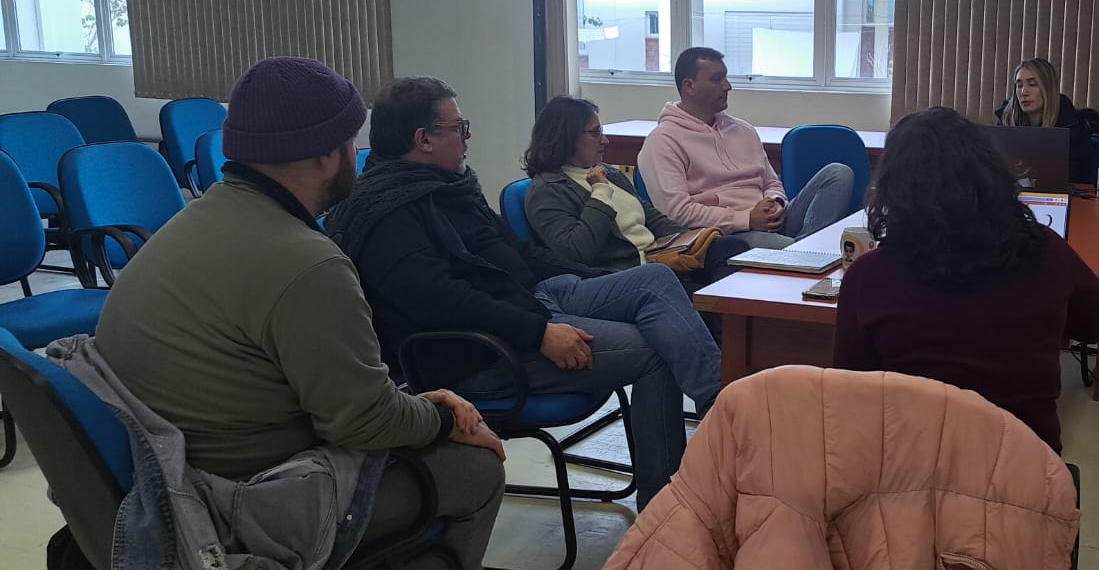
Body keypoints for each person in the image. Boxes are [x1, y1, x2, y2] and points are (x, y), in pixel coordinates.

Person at [94, 57, 506, 570]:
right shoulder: (307, 262)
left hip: (165, 488)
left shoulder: (187, 223)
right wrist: (445, 419)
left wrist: (407, 407)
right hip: (244, 508)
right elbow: (361, 424)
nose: (358, 153)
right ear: (326, 153)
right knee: (475, 469)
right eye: (351, 141)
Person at [323, 76, 722, 508]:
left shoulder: (449, 186)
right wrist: (539, 333)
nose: (467, 137)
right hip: (484, 352)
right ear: (423, 139)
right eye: (459, 128)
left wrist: (595, 277)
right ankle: (667, 504)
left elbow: (517, 252)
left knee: (654, 279)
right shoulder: (389, 213)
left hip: (532, 300)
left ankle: (721, 408)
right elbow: (445, 301)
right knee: (653, 350)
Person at [831, 106, 1099, 452]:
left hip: (913, 469)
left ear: (893, 187)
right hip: (1025, 467)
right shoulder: (1046, 250)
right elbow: (1094, 325)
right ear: (989, 172)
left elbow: (852, 388)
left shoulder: (868, 276)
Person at [521, 95, 747, 292]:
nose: (605, 140)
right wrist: (600, 193)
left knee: (731, 248)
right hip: (626, 273)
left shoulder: (607, 172)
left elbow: (651, 217)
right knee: (696, 291)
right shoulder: (547, 191)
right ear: (566, 137)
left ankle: (730, 320)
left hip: (659, 257)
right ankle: (724, 323)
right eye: (595, 133)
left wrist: (692, 242)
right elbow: (577, 251)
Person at [638, 46, 855, 250]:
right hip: (725, 236)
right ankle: (805, 253)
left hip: (770, 220)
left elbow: (771, 182)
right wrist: (747, 219)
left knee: (838, 173)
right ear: (689, 86)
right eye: (716, 79)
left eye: (725, 77)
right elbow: (677, 213)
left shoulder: (743, 130)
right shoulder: (662, 142)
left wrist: (775, 202)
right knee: (789, 248)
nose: (727, 86)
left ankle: (803, 251)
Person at [995, 57, 1099, 185]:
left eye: (1033, 84)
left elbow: (1074, 177)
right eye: (1019, 85)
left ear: (1048, 88)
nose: (1023, 92)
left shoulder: (1071, 127)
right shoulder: (1005, 121)